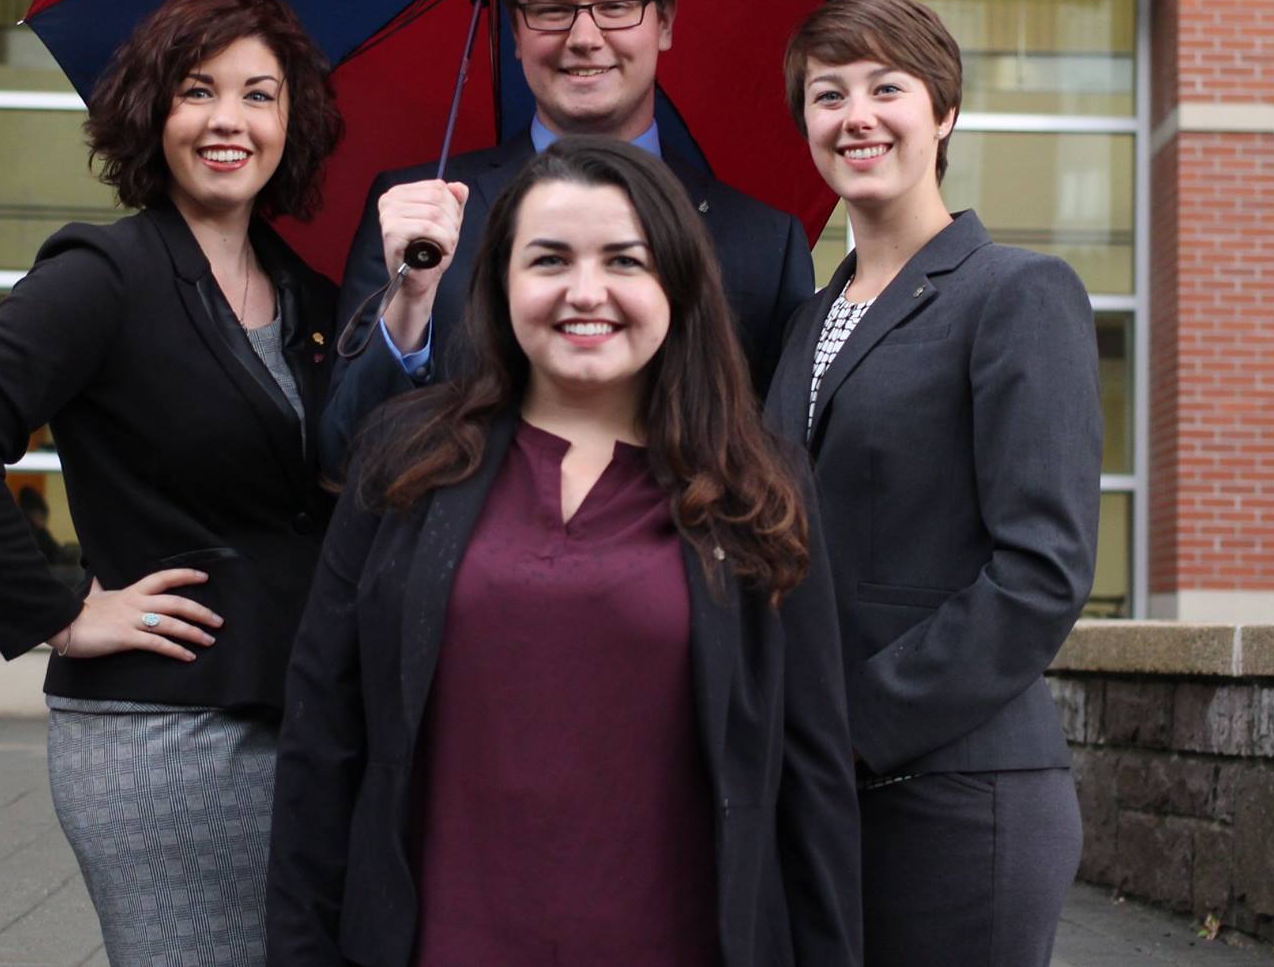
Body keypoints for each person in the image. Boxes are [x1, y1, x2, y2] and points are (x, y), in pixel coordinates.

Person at [269, 137, 860, 967]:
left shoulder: (757, 488)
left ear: (680, 284)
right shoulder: (406, 462)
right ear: (500, 282)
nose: (587, 291)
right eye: (549, 259)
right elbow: (324, 739)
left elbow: (812, 779)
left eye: (626, 259)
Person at [0, 0, 343, 967]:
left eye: (258, 95)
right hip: (160, 730)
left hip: (296, 718)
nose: (229, 120)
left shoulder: (313, 296)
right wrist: (61, 609)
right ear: (153, 112)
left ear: (290, 120)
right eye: (198, 90)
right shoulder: (102, 276)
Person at [764, 0, 1100, 966]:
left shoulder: (1016, 291)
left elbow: (1041, 568)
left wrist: (852, 729)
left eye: (885, 86)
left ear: (942, 112)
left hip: (959, 793)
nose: (854, 115)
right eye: (826, 96)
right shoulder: (802, 324)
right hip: (823, 793)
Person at [320, 0, 815, 469]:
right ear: (516, 30)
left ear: (665, 21)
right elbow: (344, 456)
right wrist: (408, 307)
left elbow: (780, 473)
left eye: (616, 6)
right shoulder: (418, 216)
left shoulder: (762, 242)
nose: (584, 38)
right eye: (552, 9)